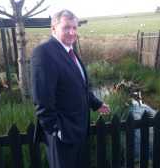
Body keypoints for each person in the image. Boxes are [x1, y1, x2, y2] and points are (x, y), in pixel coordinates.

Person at [30, 9, 111, 168]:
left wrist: (95, 103)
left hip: (78, 130)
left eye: (75, 28)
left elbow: (79, 85)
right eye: (66, 27)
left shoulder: (70, 51)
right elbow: (42, 99)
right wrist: (56, 131)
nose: (72, 32)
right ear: (53, 28)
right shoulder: (44, 52)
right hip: (62, 135)